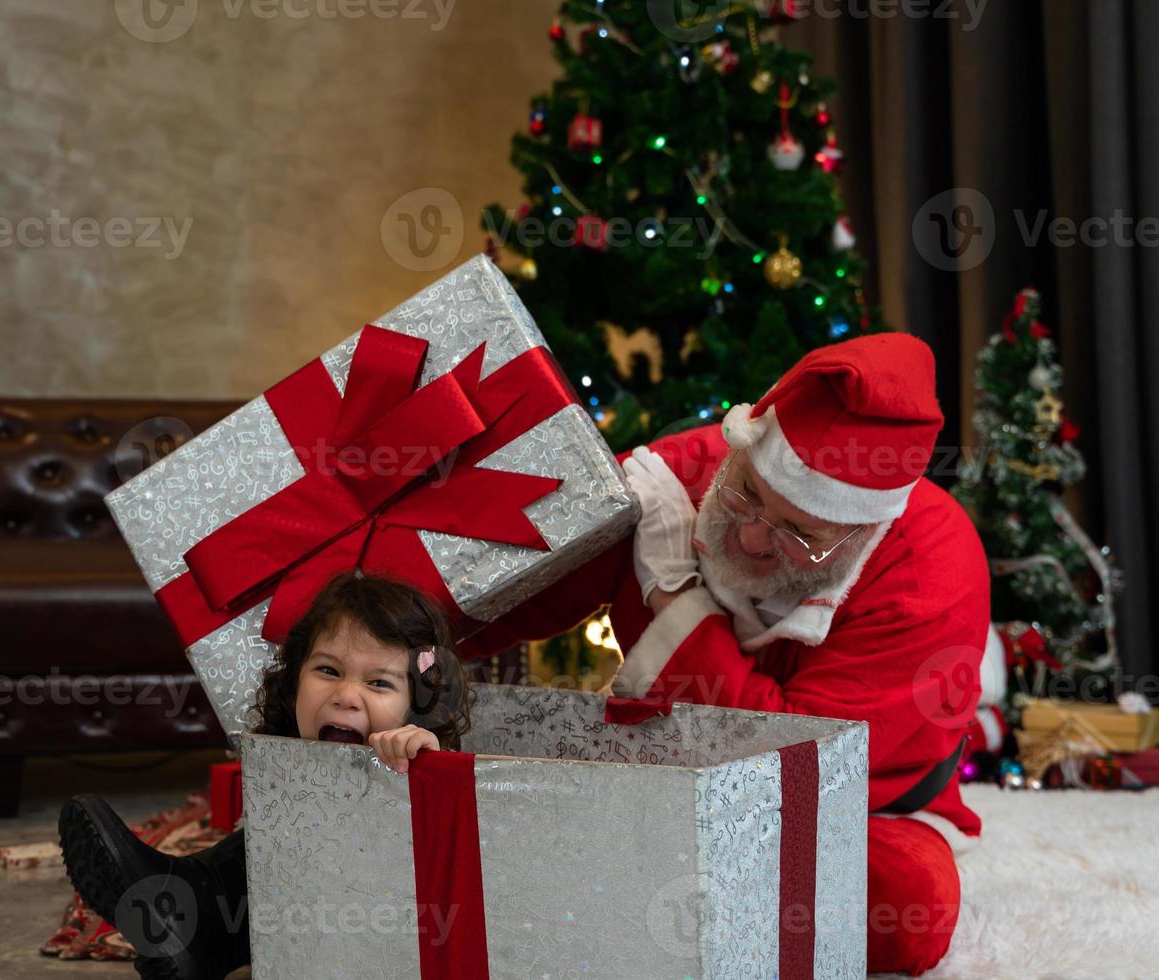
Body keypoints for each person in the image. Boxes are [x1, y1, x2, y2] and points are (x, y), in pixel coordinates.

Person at [460, 332, 990, 976]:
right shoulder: (678, 477)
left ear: (864, 530)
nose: (747, 536)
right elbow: (502, 587)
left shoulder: (932, 572)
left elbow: (796, 767)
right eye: (745, 494)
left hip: (850, 807)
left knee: (908, 906)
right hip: (661, 778)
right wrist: (382, 643)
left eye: (799, 534)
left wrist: (676, 597)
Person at [58, 572, 474, 980]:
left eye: (379, 682)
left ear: (420, 705)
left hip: (398, 931)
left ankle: (192, 920)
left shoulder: (419, 754)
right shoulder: (289, 764)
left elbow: (452, 848)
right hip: (296, 923)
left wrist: (425, 765)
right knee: (270, 840)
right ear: (294, 683)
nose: (345, 696)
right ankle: (194, 928)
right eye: (328, 671)